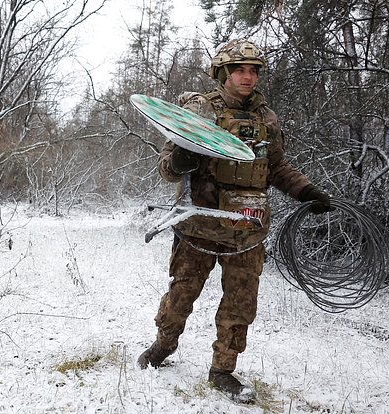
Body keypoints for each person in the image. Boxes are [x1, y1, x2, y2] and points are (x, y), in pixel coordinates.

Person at [137, 39, 332, 403]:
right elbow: (166, 167)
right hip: (199, 226)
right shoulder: (198, 110)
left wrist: (307, 192)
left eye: (253, 70)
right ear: (223, 74)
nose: (247, 77)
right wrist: (180, 159)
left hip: (246, 228)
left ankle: (223, 370)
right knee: (182, 293)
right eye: (240, 70)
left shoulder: (266, 119)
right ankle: (162, 346)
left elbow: (275, 167)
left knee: (240, 303)